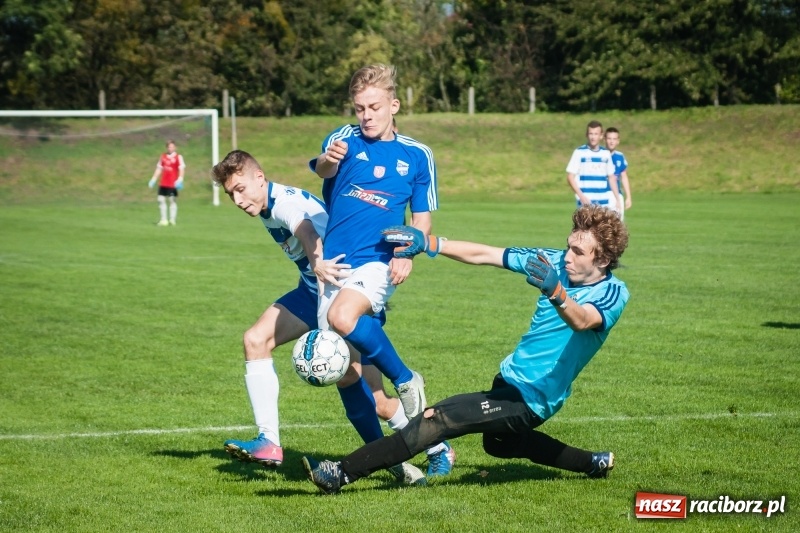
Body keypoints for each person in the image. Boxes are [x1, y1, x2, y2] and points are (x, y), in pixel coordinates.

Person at [302, 205, 630, 494]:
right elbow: (487, 254)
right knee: (501, 445)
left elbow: (584, 321)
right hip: (510, 379)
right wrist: (430, 243)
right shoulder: (553, 262)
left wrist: (557, 292)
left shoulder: (613, 293)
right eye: (568, 247)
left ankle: (342, 472)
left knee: (438, 418)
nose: (567, 256)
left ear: (601, 259)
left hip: (532, 398)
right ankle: (592, 463)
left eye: (578, 252)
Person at [210, 149, 428, 485]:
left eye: (240, 189)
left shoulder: (282, 203)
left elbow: (306, 230)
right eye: (230, 194)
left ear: (259, 178)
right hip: (314, 290)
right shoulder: (268, 204)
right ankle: (269, 441)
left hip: (341, 289)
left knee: (376, 398)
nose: (237, 200)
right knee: (256, 340)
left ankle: (435, 448)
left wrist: (317, 262)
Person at [309, 64, 454, 476]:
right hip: (334, 269)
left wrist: (408, 252)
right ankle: (403, 459)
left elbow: (422, 218)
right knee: (352, 380)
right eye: (359, 109)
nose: (366, 116)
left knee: (343, 317)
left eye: (373, 107)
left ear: (394, 104)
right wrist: (326, 159)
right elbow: (323, 170)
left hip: (376, 264)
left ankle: (408, 378)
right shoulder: (342, 140)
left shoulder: (416, 154)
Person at [566, 121, 622, 215]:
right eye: (591, 133)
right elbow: (570, 177)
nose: (593, 137)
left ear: (601, 136)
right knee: (585, 229)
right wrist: (581, 196)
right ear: (586, 135)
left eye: (596, 134)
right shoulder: (579, 152)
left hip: (603, 202)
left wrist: (617, 199)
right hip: (585, 202)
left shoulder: (605, 153)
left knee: (602, 229)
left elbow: (611, 178)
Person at [148, 140, 185, 226]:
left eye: (172, 147)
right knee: (160, 200)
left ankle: (172, 220)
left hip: (173, 183)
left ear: (175, 147)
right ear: (167, 147)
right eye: (169, 147)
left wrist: (180, 179)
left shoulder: (178, 157)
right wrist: (153, 179)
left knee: (172, 200)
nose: (170, 148)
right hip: (163, 183)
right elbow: (159, 169)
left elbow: (181, 169)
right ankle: (163, 220)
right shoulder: (163, 156)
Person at [604, 127, 633, 219]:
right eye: (609, 138)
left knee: (618, 226)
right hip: (603, 193)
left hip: (617, 194)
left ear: (618, 141)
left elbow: (624, 176)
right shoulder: (600, 155)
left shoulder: (620, 156)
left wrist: (628, 197)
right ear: (604, 139)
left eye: (614, 139)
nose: (611, 141)